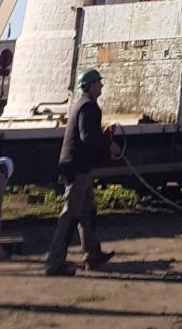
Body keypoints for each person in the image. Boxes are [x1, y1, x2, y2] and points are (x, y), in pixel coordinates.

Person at [45, 69, 120, 276]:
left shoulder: (81, 105)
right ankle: (54, 263)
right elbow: (87, 137)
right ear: (91, 84)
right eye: (99, 82)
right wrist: (109, 144)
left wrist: (103, 134)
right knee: (70, 215)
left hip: (79, 166)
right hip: (78, 167)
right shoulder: (88, 107)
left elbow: (87, 134)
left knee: (87, 212)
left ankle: (92, 254)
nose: (101, 85)